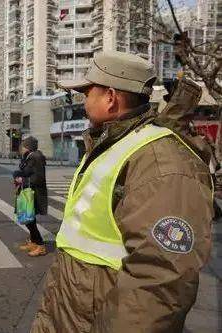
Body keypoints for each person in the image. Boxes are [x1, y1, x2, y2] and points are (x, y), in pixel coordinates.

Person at [31, 51, 214, 332]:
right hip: (71, 312)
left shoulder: (160, 161)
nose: (83, 101)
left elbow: (159, 282)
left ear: (111, 97)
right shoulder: (113, 144)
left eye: (87, 92)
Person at [13, 136, 48, 257]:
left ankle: (40, 245)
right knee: (28, 219)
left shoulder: (36, 158)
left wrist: (21, 179)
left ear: (27, 147)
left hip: (34, 193)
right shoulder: (28, 157)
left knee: (30, 220)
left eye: (23, 145)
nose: (21, 148)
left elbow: (39, 178)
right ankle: (34, 242)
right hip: (28, 192)